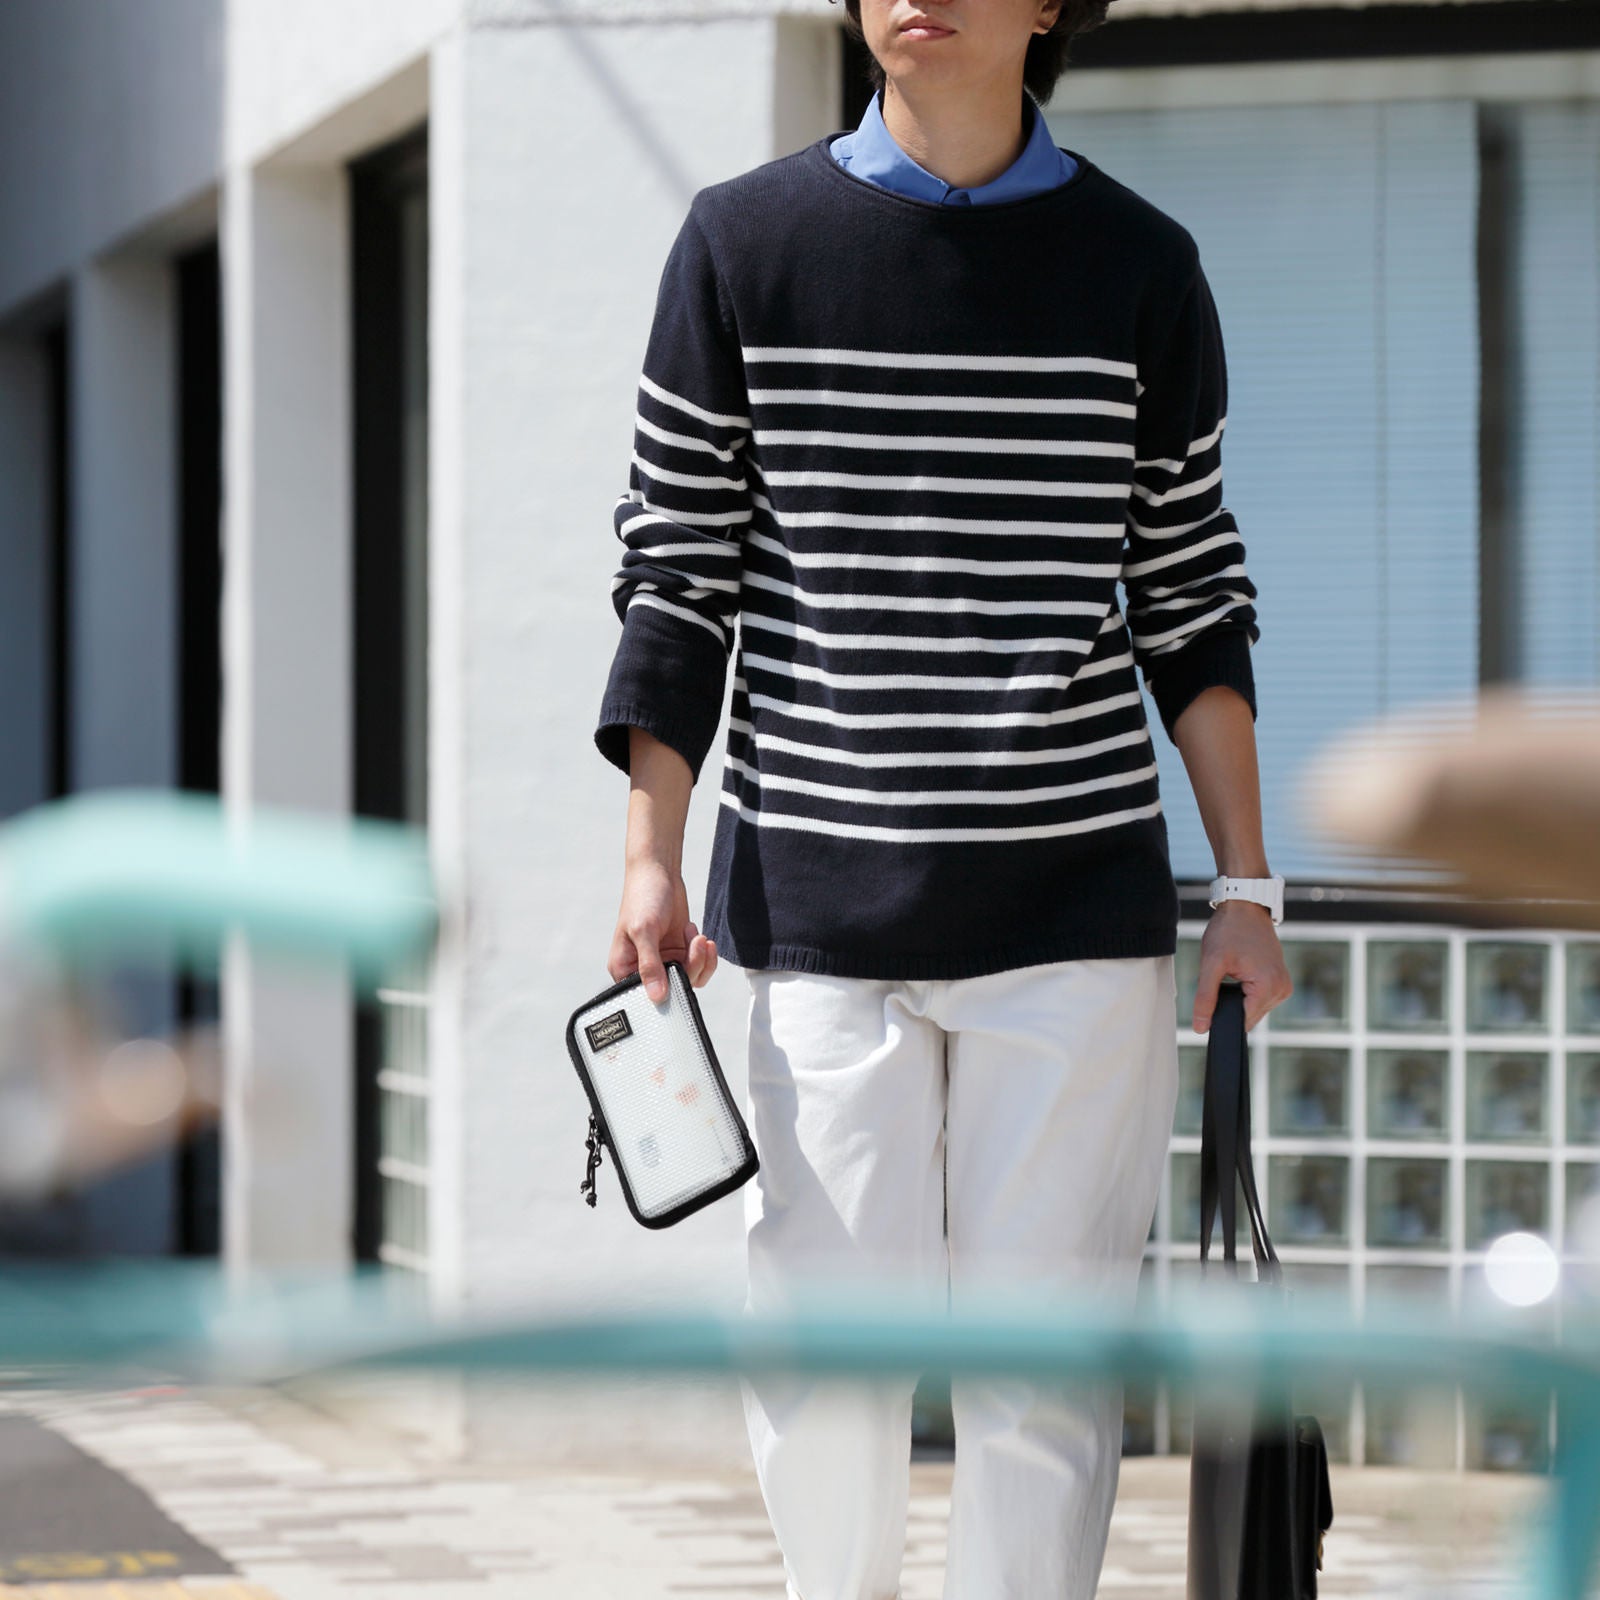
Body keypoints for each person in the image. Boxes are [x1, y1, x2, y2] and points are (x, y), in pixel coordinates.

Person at [593, 1, 1292, 1593]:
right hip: (816, 912)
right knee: (827, 1368)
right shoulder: (741, 246)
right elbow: (677, 575)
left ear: (1052, 5)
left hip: (1074, 919)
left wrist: (1246, 885)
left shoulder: (1142, 265)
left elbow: (1190, 593)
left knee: (1044, 1382)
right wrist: (649, 855)